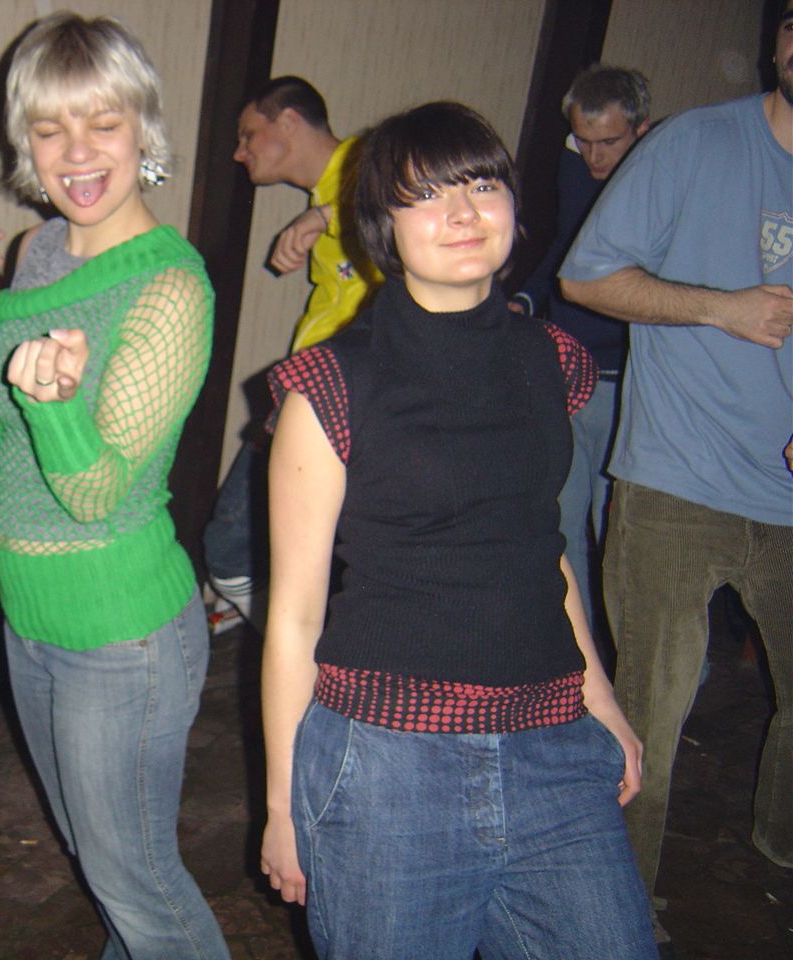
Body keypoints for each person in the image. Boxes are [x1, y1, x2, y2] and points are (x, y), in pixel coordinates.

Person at [259, 101, 656, 959]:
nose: (464, 212)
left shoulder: (551, 359)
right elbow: (294, 616)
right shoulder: (332, 384)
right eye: (427, 195)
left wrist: (602, 703)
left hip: (554, 746)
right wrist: (284, 807)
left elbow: (541, 549)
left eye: (481, 184)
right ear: (383, 225)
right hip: (387, 764)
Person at [0, 13, 228, 958]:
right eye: (50, 128)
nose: (77, 153)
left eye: (102, 122)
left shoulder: (171, 289)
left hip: (120, 633)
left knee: (139, 883)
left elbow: (95, 491)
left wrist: (58, 409)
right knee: (102, 867)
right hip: (29, 617)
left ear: (144, 129)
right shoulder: (38, 250)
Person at [558, 0, 793, 941]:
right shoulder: (695, 144)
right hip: (676, 481)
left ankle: (780, 846)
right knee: (647, 717)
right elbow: (586, 277)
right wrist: (720, 308)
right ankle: (611, 916)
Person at [204, 77, 385, 628]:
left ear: (287, 122)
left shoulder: (368, 169)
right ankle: (304, 652)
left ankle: (307, 654)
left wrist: (323, 216)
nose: (240, 152)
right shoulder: (332, 191)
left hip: (348, 404)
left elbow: (403, 211)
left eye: (248, 135)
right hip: (311, 394)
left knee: (232, 549)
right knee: (254, 554)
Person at [511, 65, 650, 640]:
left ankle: (638, 667)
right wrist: (525, 297)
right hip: (566, 376)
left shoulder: (661, 178)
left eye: (608, 142)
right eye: (583, 140)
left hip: (626, 383)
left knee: (621, 536)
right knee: (561, 528)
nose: (593, 156)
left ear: (640, 131)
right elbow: (568, 247)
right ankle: (581, 663)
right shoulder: (575, 163)